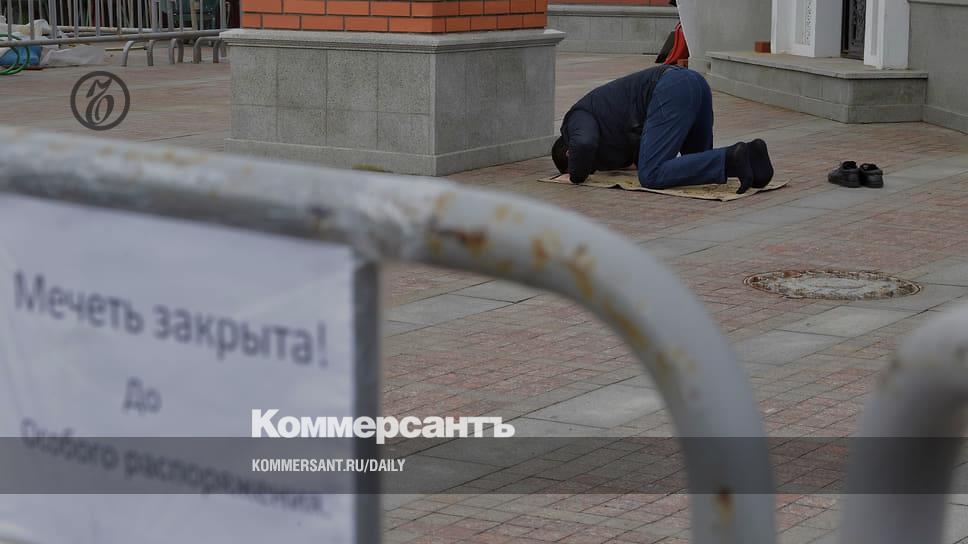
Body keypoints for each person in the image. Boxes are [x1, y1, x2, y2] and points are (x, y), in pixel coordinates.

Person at [552, 65, 773, 194]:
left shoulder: (576, 118)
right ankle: (752, 159)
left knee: (651, 175)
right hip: (693, 82)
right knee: (697, 163)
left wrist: (575, 176)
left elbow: (584, 143)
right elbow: (640, 142)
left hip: (671, 88)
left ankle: (731, 158)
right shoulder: (606, 121)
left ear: (569, 153)